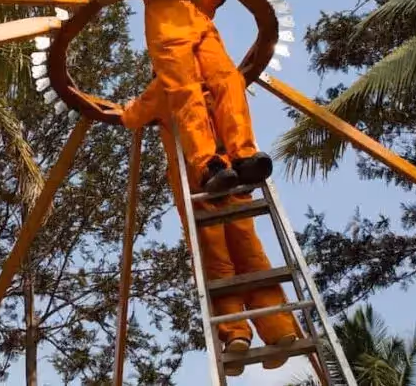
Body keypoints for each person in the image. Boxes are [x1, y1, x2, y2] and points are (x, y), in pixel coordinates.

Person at [122, 79, 300, 376]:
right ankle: (279, 328)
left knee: (216, 262)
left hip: (200, 183)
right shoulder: (216, 83)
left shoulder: (164, 88)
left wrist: (129, 106)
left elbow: (132, 116)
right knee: (251, 253)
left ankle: (236, 334)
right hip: (235, 176)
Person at [132, 0, 272, 193]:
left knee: (229, 82)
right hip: (169, 33)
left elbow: (201, 9)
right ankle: (208, 165)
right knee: (188, 95)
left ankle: (244, 155)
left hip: (202, 32)